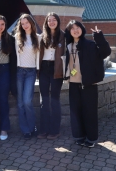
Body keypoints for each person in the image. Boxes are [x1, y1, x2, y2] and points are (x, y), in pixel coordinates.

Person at [64, 20, 111, 148]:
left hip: (88, 84)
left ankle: (91, 138)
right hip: (73, 84)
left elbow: (105, 52)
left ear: (82, 29)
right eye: (72, 28)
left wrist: (99, 37)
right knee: (76, 112)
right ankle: (79, 136)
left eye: (77, 27)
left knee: (89, 113)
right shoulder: (67, 46)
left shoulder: (89, 44)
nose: (75, 30)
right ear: (69, 32)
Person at [37, 12, 65, 140]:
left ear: (58, 21)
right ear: (46, 23)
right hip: (44, 69)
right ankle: (44, 129)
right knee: (44, 100)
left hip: (57, 69)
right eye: (49, 20)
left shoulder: (63, 36)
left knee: (54, 100)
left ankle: (55, 130)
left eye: (54, 20)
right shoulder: (42, 37)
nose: (52, 22)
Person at [13, 14, 40, 139]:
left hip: (31, 72)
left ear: (31, 23)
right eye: (22, 23)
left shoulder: (37, 38)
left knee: (27, 101)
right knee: (20, 103)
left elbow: (39, 57)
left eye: (26, 22)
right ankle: (25, 130)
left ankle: (32, 126)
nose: (25, 25)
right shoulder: (17, 38)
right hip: (19, 72)